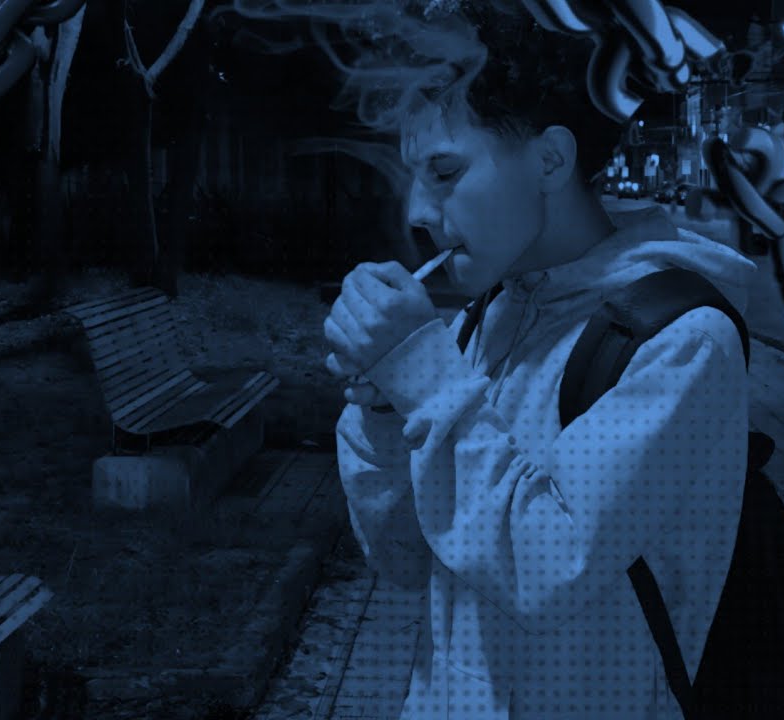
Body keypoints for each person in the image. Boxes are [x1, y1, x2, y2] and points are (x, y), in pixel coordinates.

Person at [322, 3, 756, 718]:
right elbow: (403, 557)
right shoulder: (484, 319)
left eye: (445, 171)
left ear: (550, 160)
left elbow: (546, 566)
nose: (418, 212)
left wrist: (424, 380)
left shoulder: (680, 343)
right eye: (413, 175)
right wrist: (382, 412)